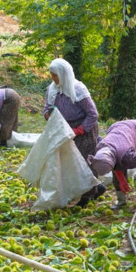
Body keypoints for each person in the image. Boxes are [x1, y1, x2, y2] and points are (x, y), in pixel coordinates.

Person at [44, 58, 105, 204]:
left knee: (84, 160)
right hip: (64, 128)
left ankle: (88, 196)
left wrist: (79, 130)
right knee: (69, 161)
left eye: (55, 75)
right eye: (51, 75)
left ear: (63, 74)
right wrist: (48, 114)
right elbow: (46, 109)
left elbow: (93, 114)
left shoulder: (78, 90)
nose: (53, 78)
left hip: (84, 128)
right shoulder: (52, 90)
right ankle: (98, 186)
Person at [88, 120, 136, 209]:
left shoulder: (127, 157)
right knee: (116, 175)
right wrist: (121, 180)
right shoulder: (100, 150)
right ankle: (121, 201)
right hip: (117, 129)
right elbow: (115, 166)